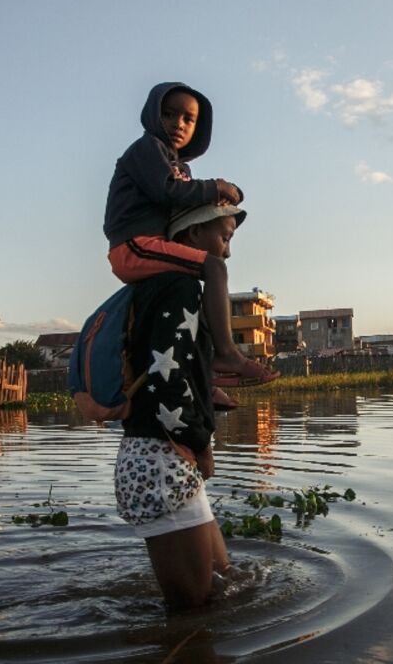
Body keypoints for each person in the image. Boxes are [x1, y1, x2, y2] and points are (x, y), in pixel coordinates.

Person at [114, 202, 249, 609]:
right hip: (162, 462)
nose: (226, 251)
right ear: (192, 235)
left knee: (225, 584)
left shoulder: (158, 287)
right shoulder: (179, 285)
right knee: (192, 610)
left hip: (165, 460)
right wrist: (202, 443)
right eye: (223, 237)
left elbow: (178, 371)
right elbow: (167, 382)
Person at [104, 81, 277, 389]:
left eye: (188, 119)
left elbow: (184, 207)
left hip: (154, 244)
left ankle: (202, 376)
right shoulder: (148, 148)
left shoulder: (179, 165)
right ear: (153, 115)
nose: (178, 124)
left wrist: (215, 199)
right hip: (133, 245)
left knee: (194, 295)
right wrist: (217, 187)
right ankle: (226, 353)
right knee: (214, 266)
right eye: (169, 114)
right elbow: (168, 191)